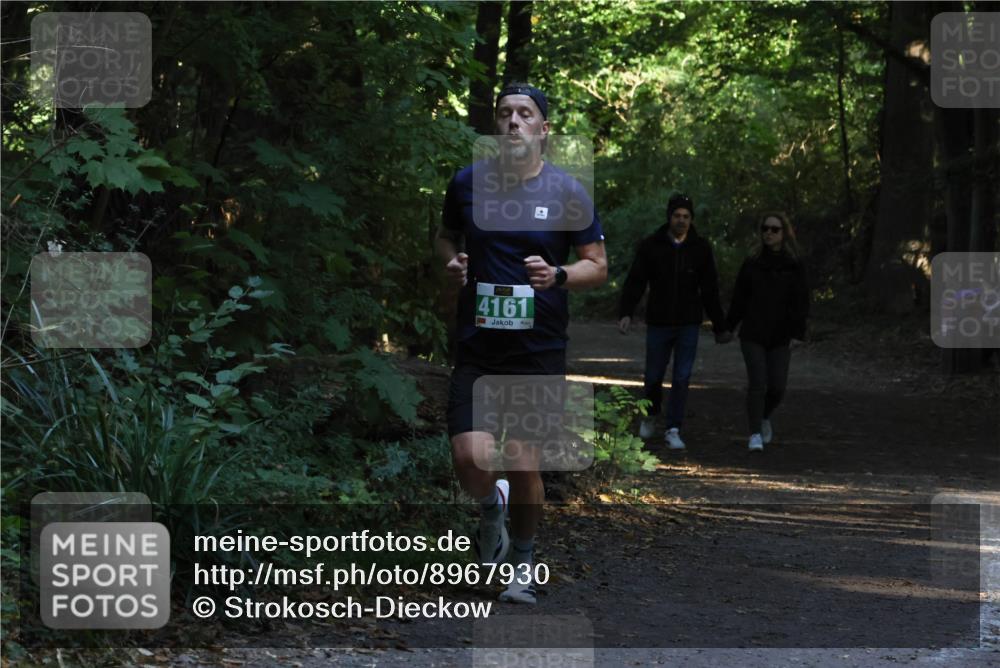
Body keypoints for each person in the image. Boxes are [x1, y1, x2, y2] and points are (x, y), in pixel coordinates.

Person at [436, 83, 607, 604]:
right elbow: (446, 238)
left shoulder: (567, 193)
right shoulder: (467, 184)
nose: (513, 122)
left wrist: (557, 274)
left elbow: (597, 266)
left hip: (537, 348)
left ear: (543, 129)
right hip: (478, 343)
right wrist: (451, 263)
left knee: (523, 462)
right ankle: (492, 510)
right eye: (505, 113)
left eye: (525, 114)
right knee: (470, 459)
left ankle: (522, 565)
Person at [617, 194, 731, 451]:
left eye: (686, 217)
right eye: (677, 216)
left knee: (682, 376)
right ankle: (651, 413)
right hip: (658, 321)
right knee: (654, 375)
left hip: (688, 322)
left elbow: (710, 289)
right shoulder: (651, 246)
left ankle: (673, 427)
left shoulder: (700, 248)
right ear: (669, 217)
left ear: (691, 220)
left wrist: (720, 325)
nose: (681, 220)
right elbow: (636, 280)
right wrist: (626, 312)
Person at [725, 212, 809, 452]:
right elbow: (739, 298)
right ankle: (754, 434)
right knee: (757, 383)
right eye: (765, 229)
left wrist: (798, 332)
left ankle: (763, 416)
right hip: (753, 333)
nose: (769, 233)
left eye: (774, 229)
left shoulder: (794, 265)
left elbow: (802, 300)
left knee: (777, 387)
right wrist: (728, 327)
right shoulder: (752, 263)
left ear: (784, 233)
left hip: (781, 334)